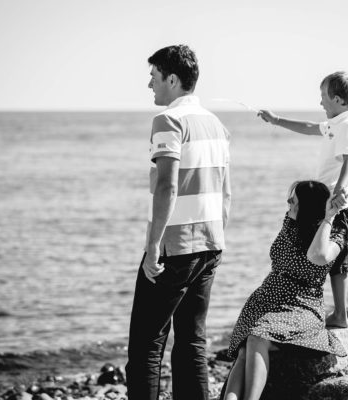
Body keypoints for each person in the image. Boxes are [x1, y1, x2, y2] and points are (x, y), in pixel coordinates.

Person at [125, 44, 232, 400]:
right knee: (191, 341)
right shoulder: (215, 124)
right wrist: (219, 239)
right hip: (210, 242)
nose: (149, 85)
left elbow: (168, 185)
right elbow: (225, 191)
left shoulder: (168, 121)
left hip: (176, 247)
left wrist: (153, 246)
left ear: (172, 78)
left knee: (146, 345)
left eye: (153, 76)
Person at [258, 71, 348, 328]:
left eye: (323, 97)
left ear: (338, 100)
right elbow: (308, 127)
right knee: (346, 254)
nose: (320, 103)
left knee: (335, 260)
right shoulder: (338, 121)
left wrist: (338, 190)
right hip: (333, 200)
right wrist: (276, 120)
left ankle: (340, 315)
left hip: (339, 202)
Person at [223, 180, 348, 400]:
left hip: (303, 305)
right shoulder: (291, 221)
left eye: (294, 200)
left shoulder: (336, 232)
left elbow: (318, 256)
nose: (288, 202)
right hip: (267, 299)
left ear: (309, 206)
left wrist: (328, 217)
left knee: (256, 338)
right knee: (245, 348)